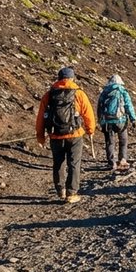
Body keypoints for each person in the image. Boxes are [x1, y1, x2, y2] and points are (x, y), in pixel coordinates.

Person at [35, 67, 97, 203]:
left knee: (58, 163)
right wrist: (90, 130)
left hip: (55, 135)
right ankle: (71, 193)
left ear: (58, 78)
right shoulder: (79, 93)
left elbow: (41, 117)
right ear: (72, 78)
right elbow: (88, 114)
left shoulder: (49, 95)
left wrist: (40, 136)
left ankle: (60, 190)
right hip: (74, 135)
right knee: (74, 163)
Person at [96, 74, 136, 171]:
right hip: (120, 120)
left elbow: (99, 107)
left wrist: (100, 120)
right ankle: (122, 159)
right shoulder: (122, 91)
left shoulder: (104, 92)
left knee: (110, 142)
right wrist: (133, 119)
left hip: (107, 121)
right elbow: (128, 106)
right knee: (123, 140)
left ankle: (111, 162)